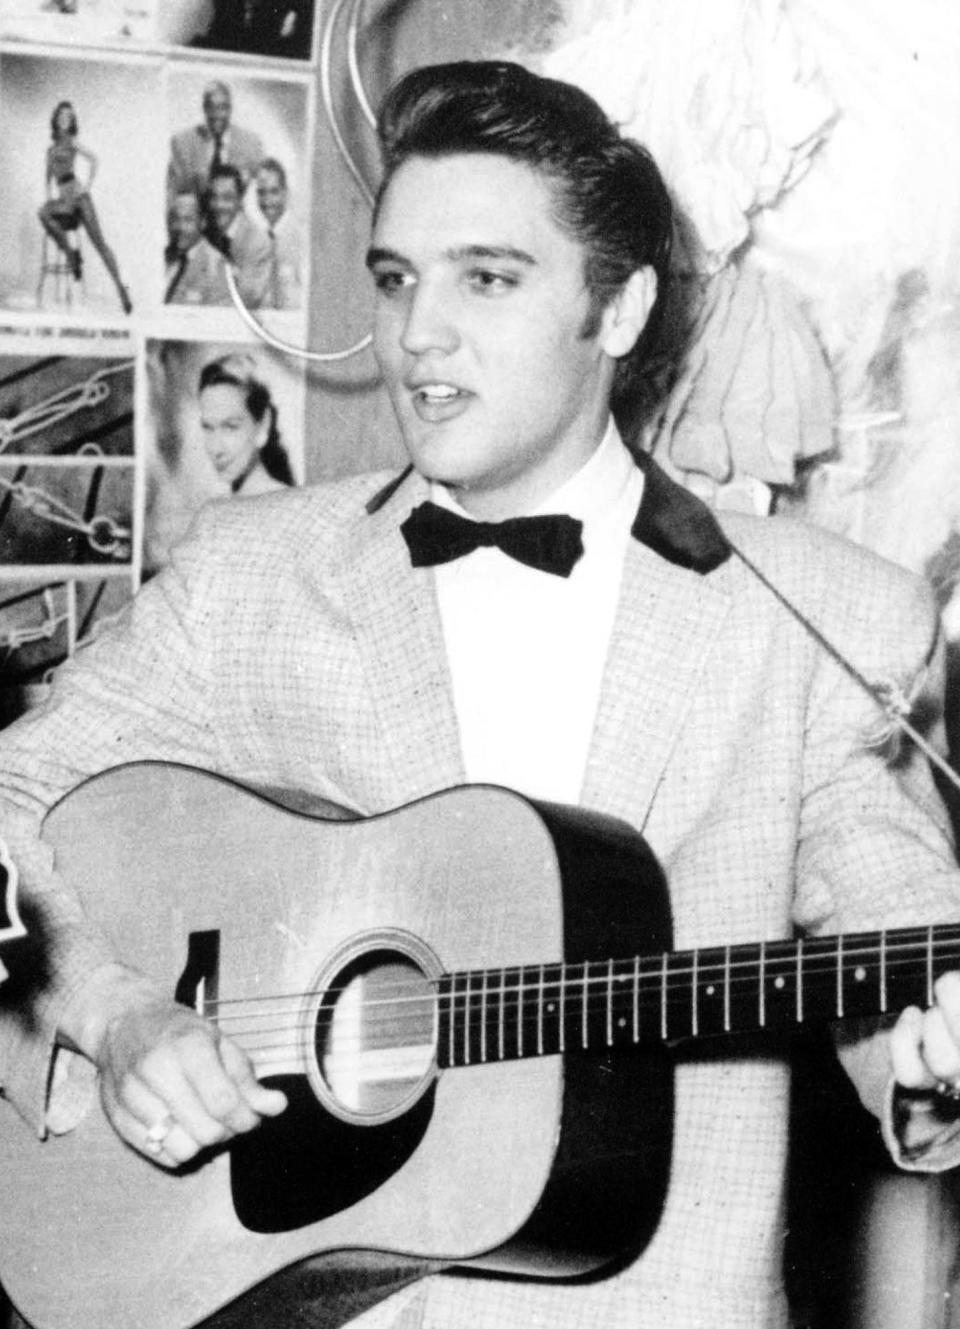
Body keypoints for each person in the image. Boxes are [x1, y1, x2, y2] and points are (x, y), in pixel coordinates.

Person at [2, 58, 960, 1329]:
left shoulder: (819, 620)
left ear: (619, 311)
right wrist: (118, 1018)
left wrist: (930, 1059)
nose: (417, 336)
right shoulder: (251, 575)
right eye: (397, 279)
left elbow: (900, 938)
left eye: (486, 279)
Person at [38, 100, 133, 315]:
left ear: (72, 122)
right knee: (43, 213)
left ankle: (122, 290)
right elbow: (47, 179)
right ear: (56, 119)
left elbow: (94, 159)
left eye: (69, 117)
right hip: (64, 203)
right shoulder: (50, 150)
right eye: (62, 116)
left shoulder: (72, 142)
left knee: (100, 244)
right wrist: (49, 198)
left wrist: (87, 186)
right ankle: (72, 256)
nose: (65, 120)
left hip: (80, 199)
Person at [197, 352, 295, 494]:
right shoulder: (214, 508)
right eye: (208, 428)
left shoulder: (289, 505)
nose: (215, 449)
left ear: (263, 426)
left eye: (230, 427)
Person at [166, 80, 264, 206]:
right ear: (204, 108)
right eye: (211, 107)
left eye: (222, 107)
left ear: (230, 109)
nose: (217, 114)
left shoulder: (251, 144)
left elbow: (262, 192)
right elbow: (172, 197)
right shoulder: (182, 144)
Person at [204, 163, 272, 309]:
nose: (219, 205)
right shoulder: (208, 235)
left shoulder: (257, 242)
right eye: (214, 197)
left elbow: (247, 299)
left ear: (240, 200)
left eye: (227, 198)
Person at [162, 190, 230, 306]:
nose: (180, 227)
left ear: (202, 222)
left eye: (188, 220)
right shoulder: (166, 259)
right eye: (176, 219)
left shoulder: (217, 265)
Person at [254, 156, 303, 310]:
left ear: (285, 193)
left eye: (274, 192)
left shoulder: (302, 238)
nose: (267, 200)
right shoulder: (257, 241)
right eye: (262, 193)